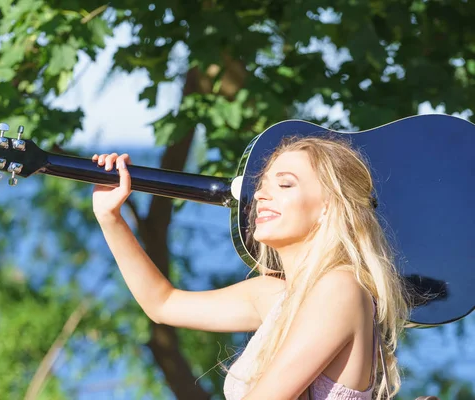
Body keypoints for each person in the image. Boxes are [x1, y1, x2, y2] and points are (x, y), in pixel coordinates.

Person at [91, 134, 409, 400]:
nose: (260, 194)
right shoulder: (276, 295)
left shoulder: (340, 289)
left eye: (284, 185)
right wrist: (110, 218)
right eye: (262, 184)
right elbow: (163, 304)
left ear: (328, 207)